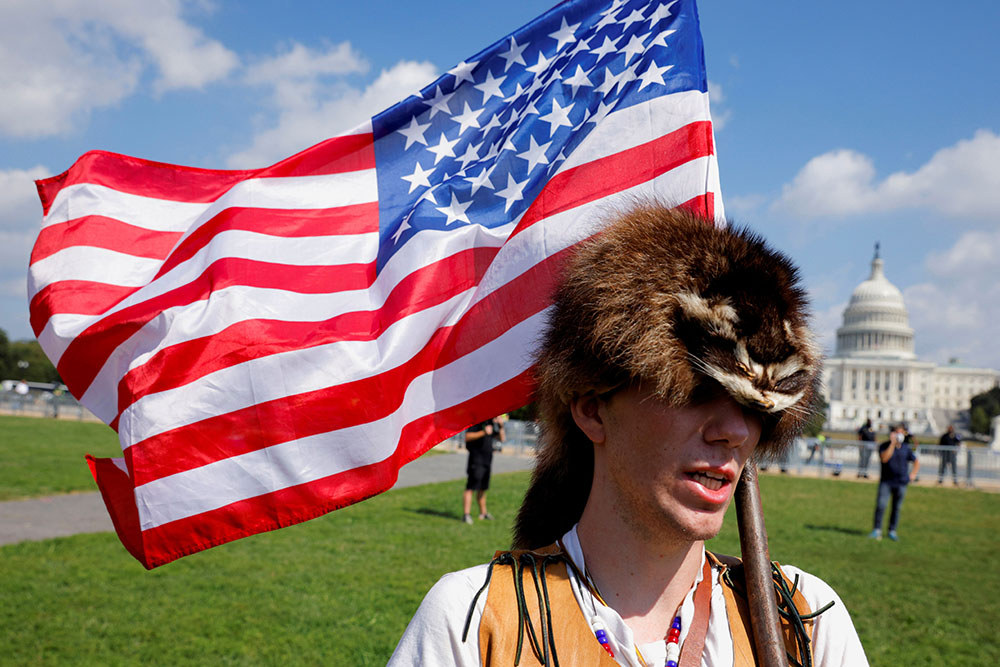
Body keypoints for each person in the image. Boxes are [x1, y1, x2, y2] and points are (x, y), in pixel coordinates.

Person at [390, 205, 868, 665]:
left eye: (752, 406)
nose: (735, 431)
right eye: (697, 393)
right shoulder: (472, 625)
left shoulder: (805, 624)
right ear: (592, 410)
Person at [869, 424, 919, 542]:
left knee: (896, 508)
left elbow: (916, 461)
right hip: (886, 481)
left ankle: (892, 530)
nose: (899, 435)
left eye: (901, 432)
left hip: (901, 482)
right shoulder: (884, 446)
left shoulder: (906, 448)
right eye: (896, 432)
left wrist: (912, 475)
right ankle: (877, 530)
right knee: (881, 505)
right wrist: (892, 443)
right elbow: (884, 458)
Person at [462, 417, 505, 524]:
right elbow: (467, 437)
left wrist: (501, 426)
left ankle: (483, 513)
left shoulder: (490, 422)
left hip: (487, 461)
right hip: (476, 460)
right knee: (471, 487)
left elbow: (502, 439)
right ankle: (466, 515)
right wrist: (483, 432)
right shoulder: (477, 422)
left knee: (483, 488)